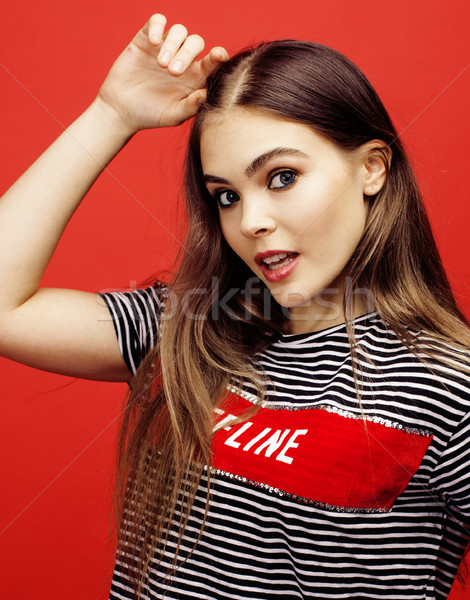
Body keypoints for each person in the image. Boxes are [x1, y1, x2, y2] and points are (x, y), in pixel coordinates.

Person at [0, 12, 469, 600]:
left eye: (281, 177)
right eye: (225, 194)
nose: (249, 222)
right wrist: (111, 115)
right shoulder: (187, 328)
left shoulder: (445, 383)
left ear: (371, 167)